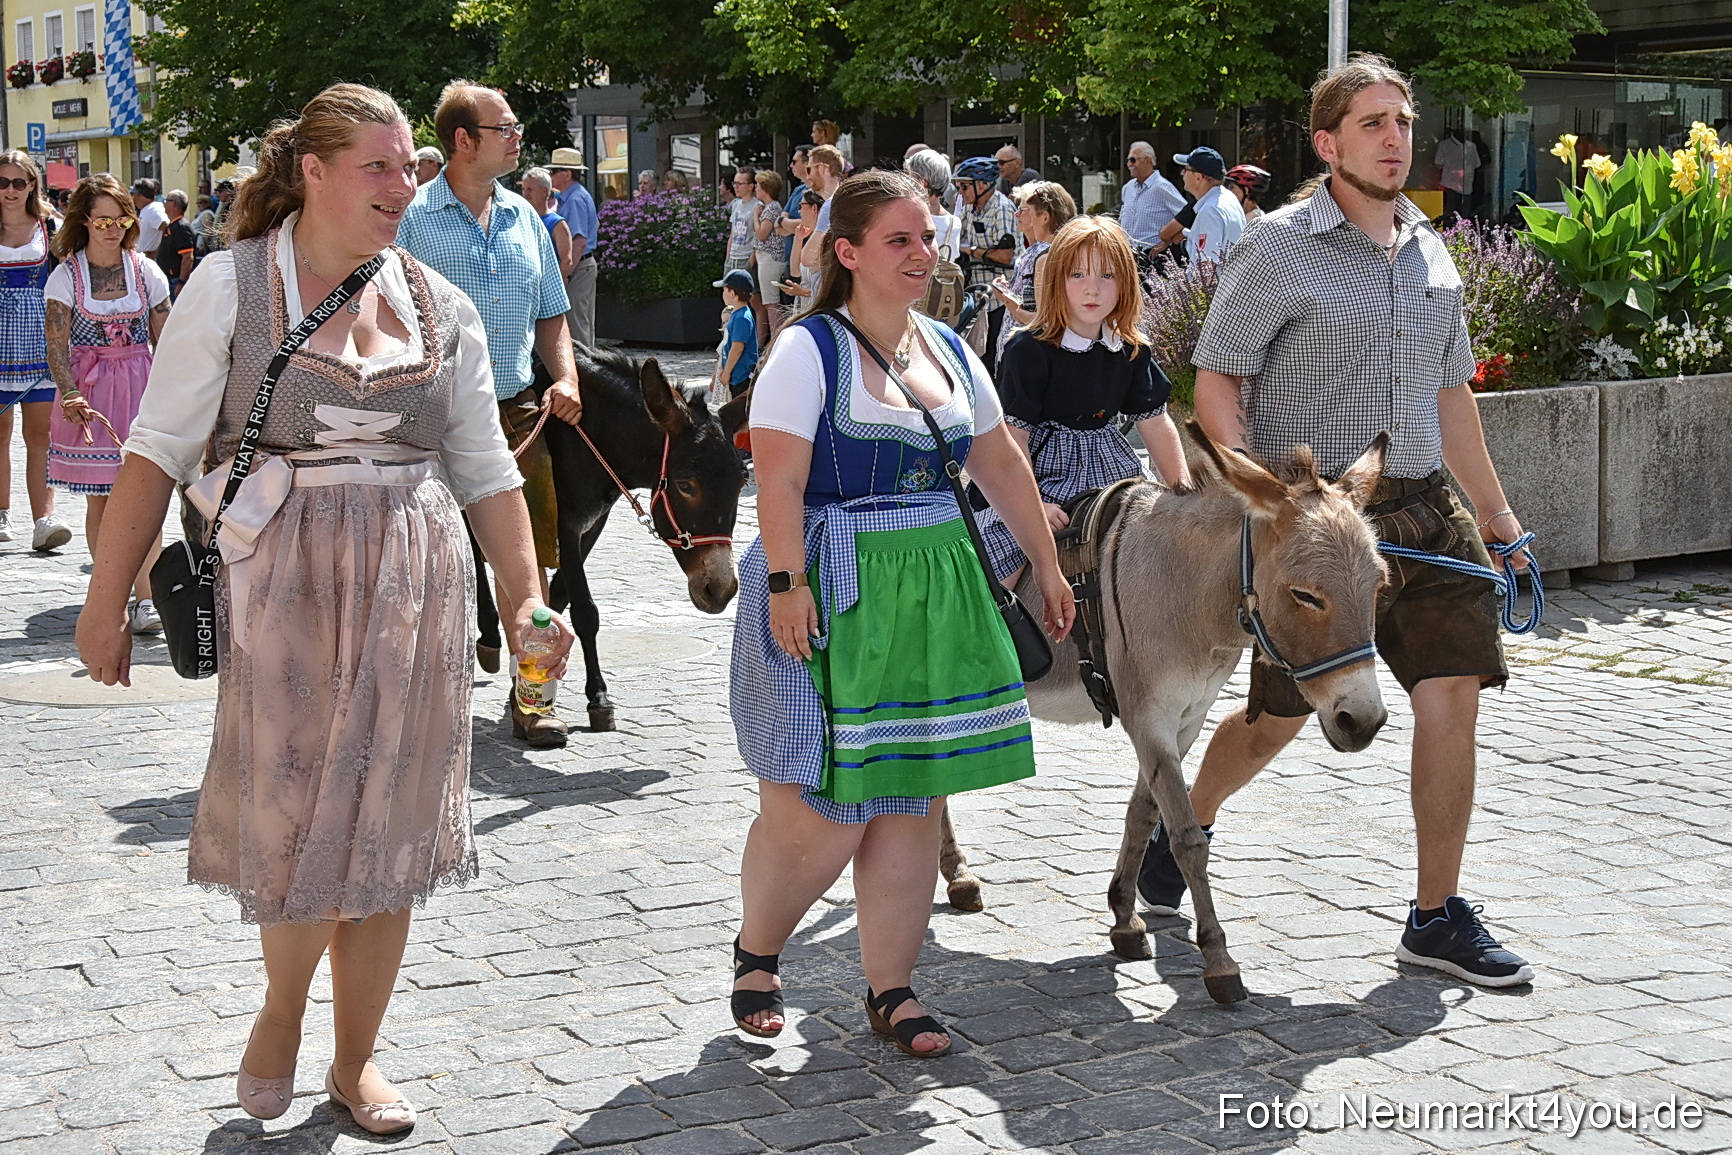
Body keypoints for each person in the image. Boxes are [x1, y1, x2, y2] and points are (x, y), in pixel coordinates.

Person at [74, 83, 575, 1135]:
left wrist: (526, 598)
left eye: (410, 167)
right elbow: (156, 452)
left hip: (411, 578)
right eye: (381, 167)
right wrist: (105, 598)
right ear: (313, 171)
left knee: (390, 826)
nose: (406, 185)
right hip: (280, 581)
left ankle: (357, 1061)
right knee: (299, 818)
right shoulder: (227, 284)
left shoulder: (442, 304)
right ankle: (283, 1012)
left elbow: (485, 469)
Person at [1145, 54, 1536, 989]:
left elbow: (1451, 397)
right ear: (1327, 143)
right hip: (1315, 524)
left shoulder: (1432, 247)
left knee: (1454, 694)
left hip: (1424, 508)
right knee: (1276, 724)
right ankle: (1180, 823)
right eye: (1373, 123)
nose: (1396, 138)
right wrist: (1265, 501)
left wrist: (1500, 519)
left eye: (1402, 121)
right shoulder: (1278, 245)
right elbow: (1217, 376)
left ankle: (1435, 915)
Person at [728, 170, 1074, 1054]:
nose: (925, 253)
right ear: (847, 254)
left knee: (914, 796)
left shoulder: (952, 349)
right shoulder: (808, 350)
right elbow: (780, 479)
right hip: (835, 587)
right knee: (821, 811)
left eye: (928, 237)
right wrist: (784, 583)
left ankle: (893, 987)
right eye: (900, 240)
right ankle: (758, 948)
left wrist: (1045, 560)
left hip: (936, 587)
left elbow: (998, 461)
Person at [396, 80, 579, 749]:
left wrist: (565, 375)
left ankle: (533, 696)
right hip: (431, 415)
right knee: (426, 559)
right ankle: (420, 700)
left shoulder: (524, 216)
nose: (517, 135)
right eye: (505, 126)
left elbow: (552, 314)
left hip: (519, 410)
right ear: (463, 140)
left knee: (526, 563)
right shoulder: (410, 218)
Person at [975, 215, 1190, 584]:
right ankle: (997, 634)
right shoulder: (1028, 349)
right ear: (1057, 280)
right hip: (1039, 474)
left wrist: (1185, 494)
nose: (1092, 289)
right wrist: (1034, 506)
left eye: (1107, 276)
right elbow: (1016, 437)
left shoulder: (1130, 348)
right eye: (1078, 275)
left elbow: (1155, 423)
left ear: (1126, 283)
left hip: (1110, 469)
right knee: (1006, 563)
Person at [45, 173, 169, 635]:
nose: (113, 228)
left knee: (146, 494)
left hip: (141, 386)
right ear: (84, 222)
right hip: (91, 393)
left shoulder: (146, 271)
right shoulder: (66, 275)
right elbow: (56, 346)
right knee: (102, 498)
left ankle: (147, 599)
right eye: (102, 222)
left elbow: (167, 337)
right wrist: (69, 390)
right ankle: (110, 592)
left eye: (121, 219)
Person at [0, 150, 71, 552]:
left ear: (32, 185)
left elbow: (72, 276)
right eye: (2, 182)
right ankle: (1, 513)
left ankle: (44, 518)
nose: (10, 191)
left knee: (40, 432)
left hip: (39, 341)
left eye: (18, 182)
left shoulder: (50, 226)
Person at [990, 180, 1075, 363]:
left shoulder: (1043, 255)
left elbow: (1042, 320)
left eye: (1023, 209)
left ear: (1044, 217)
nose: (1016, 214)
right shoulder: (1048, 251)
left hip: (1026, 354)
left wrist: (1006, 299)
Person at [953, 156, 1020, 372]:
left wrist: (971, 250)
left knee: (994, 358)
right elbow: (955, 236)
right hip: (979, 296)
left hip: (1001, 298)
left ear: (981, 185)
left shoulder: (1001, 208)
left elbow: (1006, 256)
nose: (960, 192)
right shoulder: (969, 209)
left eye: (964, 186)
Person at [548, 148, 597, 349]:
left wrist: (566, 272)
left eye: (554, 171)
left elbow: (579, 242)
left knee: (577, 327)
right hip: (583, 265)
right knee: (581, 323)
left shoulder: (575, 199)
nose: (550, 176)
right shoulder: (573, 196)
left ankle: (586, 375)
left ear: (567, 174)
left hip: (579, 267)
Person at [1174, 147, 1244, 267]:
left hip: (1216, 285)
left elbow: (1207, 268)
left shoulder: (1210, 211)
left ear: (1199, 177)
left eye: (1185, 169)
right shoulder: (1228, 198)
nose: (1182, 173)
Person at [797, 145, 846, 302]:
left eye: (810, 169)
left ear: (824, 168)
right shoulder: (845, 200)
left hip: (828, 298)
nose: (807, 176)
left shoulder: (830, 205)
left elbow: (808, 258)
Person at [1118, 141, 1186, 250]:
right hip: (1129, 254)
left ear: (1148, 160)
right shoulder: (1128, 188)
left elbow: (1188, 216)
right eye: (1128, 160)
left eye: (1133, 160)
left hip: (1152, 256)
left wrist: (1169, 241)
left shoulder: (1162, 187)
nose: (1129, 165)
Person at [711, 268, 757, 403]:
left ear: (732, 293)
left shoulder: (742, 318)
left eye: (724, 290)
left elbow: (737, 348)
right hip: (736, 375)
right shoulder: (737, 314)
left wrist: (727, 373)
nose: (723, 294)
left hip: (741, 377)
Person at [521, 167, 575, 281]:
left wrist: (553, 287)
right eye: (523, 188)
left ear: (544, 191)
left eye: (530, 189)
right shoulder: (521, 220)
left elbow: (567, 261)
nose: (525, 194)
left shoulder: (557, 224)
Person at [750, 170, 787, 338]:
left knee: (771, 301)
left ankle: (775, 339)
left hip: (770, 258)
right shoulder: (769, 207)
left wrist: (756, 217)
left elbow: (762, 234)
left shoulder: (772, 208)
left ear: (765, 188)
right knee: (765, 300)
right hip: (763, 258)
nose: (756, 189)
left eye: (758, 185)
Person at [903, 149, 959, 256]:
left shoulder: (908, 216)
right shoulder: (954, 222)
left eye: (909, 177)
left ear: (922, 182)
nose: (906, 182)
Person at [156, 189, 198, 296]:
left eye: (166, 201)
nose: (164, 204)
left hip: (175, 281)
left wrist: (181, 282)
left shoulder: (181, 227)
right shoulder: (174, 225)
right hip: (169, 279)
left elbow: (188, 257)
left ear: (173, 204)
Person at [129, 178, 167, 260]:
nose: (132, 198)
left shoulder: (153, 209)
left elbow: (168, 228)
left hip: (150, 262)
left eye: (133, 193)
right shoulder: (146, 209)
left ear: (140, 196)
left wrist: (158, 252)